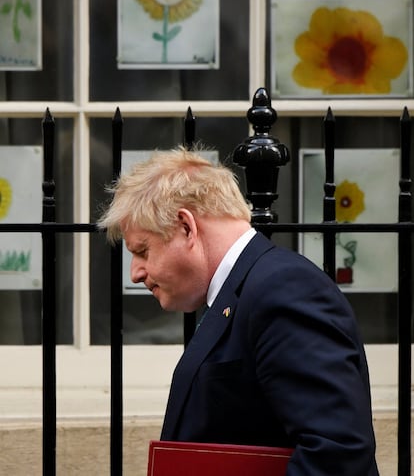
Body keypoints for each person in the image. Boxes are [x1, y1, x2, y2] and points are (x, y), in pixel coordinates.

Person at [98, 146, 379, 476]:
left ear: (186, 226)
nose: (136, 272)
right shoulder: (251, 289)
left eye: (142, 250)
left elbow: (337, 454)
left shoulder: (284, 289)